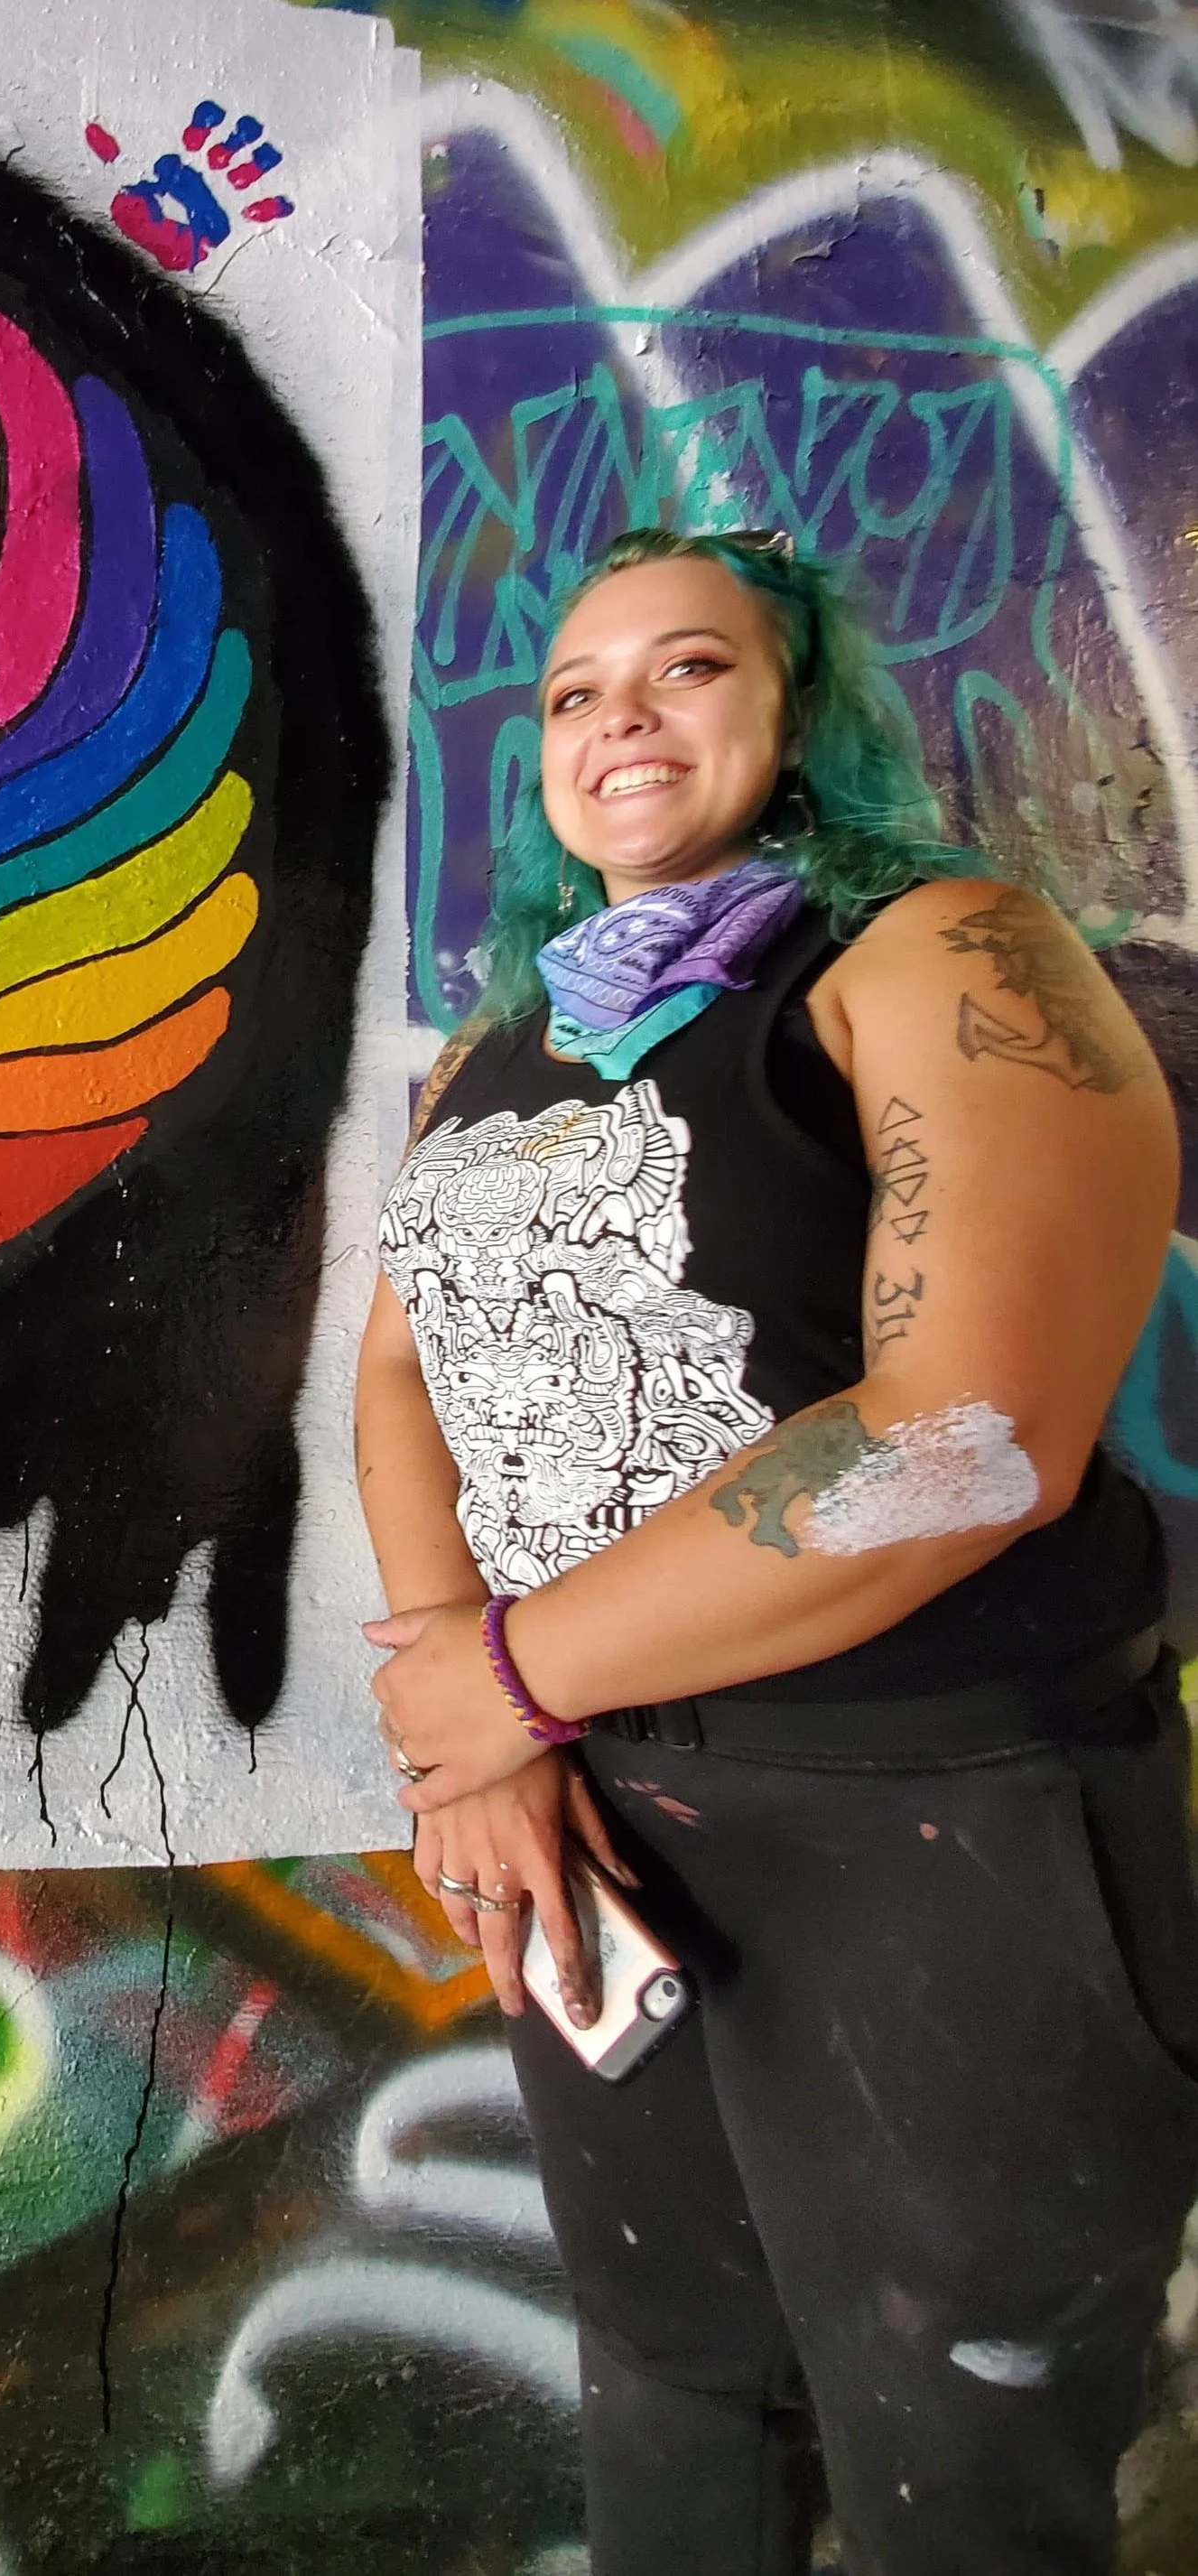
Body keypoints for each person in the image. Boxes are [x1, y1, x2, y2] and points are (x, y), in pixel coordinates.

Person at [356, 525, 1198, 2576]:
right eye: (569, 694)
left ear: (796, 710)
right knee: (668, 2372)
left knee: (958, 2434)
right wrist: (489, 1723)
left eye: (685, 670)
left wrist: (507, 1678)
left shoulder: (942, 951)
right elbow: (400, 1368)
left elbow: (961, 1438)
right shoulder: (501, 1042)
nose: (615, 722)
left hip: (933, 1813)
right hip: (601, 1807)